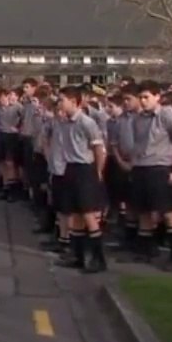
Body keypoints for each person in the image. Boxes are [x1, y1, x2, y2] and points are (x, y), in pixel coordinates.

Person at [128, 81, 172, 269]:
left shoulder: (168, 116)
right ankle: (146, 251)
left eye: (146, 97)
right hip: (142, 167)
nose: (142, 101)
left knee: (168, 212)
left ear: (157, 96)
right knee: (143, 211)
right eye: (140, 97)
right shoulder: (138, 118)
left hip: (161, 168)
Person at [50, 87, 110, 273]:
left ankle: (98, 259)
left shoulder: (87, 122)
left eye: (63, 100)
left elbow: (98, 149)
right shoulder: (62, 122)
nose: (59, 103)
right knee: (74, 214)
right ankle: (77, 255)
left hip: (85, 169)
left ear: (74, 102)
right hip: (70, 168)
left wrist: (98, 172)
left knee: (88, 214)